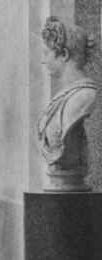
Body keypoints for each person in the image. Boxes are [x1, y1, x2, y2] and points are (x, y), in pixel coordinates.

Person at [37, 16, 97, 188]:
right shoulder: (65, 97)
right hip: (59, 185)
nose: (43, 61)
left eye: (46, 54)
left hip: (72, 186)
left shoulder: (84, 97)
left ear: (63, 54)